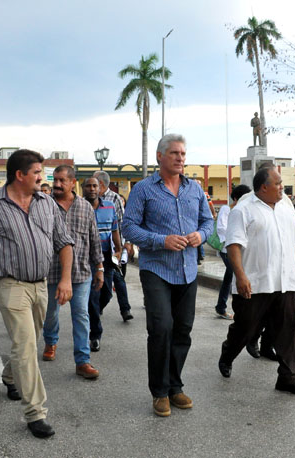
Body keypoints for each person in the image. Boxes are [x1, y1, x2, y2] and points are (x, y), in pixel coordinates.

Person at [0, 149, 75, 439]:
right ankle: (35, 413)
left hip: (40, 284)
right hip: (10, 284)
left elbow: (64, 242)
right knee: (26, 345)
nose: (43, 177)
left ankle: (10, 375)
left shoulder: (47, 204)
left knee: (28, 341)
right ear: (20, 175)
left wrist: (65, 279)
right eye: (38, 173)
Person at [122, 134, 214, 417]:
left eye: (183, 154)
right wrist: (161, 240)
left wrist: (201, 234)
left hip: (187, 270)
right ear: (160, 157)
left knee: (183, 330)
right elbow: (128, 227)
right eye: (174, 153)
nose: (180, 158)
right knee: (161, 329)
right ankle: (159, 392)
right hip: (156, 269)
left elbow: (208, 221)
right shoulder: (144, 189)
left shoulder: (194, 189)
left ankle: (175, 386)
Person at [218, 165, 295, 396]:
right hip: (255, 282)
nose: (283, 187)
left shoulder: (286, 205)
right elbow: (234, 246)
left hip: (285, 281)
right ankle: (228, 353)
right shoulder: (243, 210)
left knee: (287, 330)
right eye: (278, 183)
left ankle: (288, 377)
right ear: (264, 187)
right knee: (246, 328)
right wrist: (240, 276)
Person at [42, 166, 104, 379]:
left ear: (72, 182)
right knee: (50, 313)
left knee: (81, 315)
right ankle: (50, 341)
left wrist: (100, 268)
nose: (57, 184)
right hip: (50, 272)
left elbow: (94, 240)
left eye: (61, 180)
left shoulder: (85, 207)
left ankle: (83, 361)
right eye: (55, 180)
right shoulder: (44, 206)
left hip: (80, 273)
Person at [83, 177, 120, 352]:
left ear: (100, 188)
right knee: (93, 297)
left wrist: (119, 250)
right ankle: (95, 335)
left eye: (95, 186)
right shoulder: (79, 208)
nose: (92, 189)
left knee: (106, 294)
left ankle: (95, 312)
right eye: (88, 186)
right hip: (85, 257)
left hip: (106, 255)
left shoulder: (110, 207)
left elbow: (114, 230)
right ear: (82, 188)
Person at [93, 171, 133, 322]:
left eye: (95, 184)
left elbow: (122, 223)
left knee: (118, 279)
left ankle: (125, 309)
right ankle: (97, 307)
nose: (92, 188)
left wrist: (124, 245)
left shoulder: (114, 199)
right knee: (107, 282)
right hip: (97, 250)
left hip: (113, 249)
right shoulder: (90, 199)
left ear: (101, 185)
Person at [214, 184, 251, 320]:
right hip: (227, 249)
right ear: (236, 198)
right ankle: (236, 309)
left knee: (229, 278)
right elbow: (222, 228)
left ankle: (221, 306)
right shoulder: (226, 209)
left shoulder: (246, 210)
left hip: (239, 250)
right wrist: (234, 237)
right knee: (236, 276)